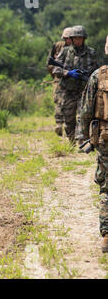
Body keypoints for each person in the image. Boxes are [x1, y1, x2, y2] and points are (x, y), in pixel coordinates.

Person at [77, 35, 108, 253]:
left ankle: (107, 236)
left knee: (106, 187)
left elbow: (86, 109)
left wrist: (82, 137)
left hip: (105, 136)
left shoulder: (99, 76)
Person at [53, 25, 98, 145]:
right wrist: (68, 73)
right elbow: (55, 69)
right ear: (72, 39)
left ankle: (81, 140)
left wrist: (87, 77)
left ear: (84, 39)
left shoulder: (91, 53)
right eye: (75, 38)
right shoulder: (65, 52)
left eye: (80, 38)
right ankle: (71, 139)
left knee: (83, 116)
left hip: (84, 91)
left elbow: (96, 71)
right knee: (68, 117)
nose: (78, 41)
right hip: (68, 90)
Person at [47, 27, 73, 136]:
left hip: (72, 80)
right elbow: (49, 63)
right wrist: (55, 75)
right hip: (59, 78)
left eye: (69, 38)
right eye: (65, 38)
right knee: (58, 100)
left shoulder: (77, 48)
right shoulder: (57, 46)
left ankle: (70, 125)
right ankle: (59, 123)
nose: (67, 40)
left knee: (70, 103)